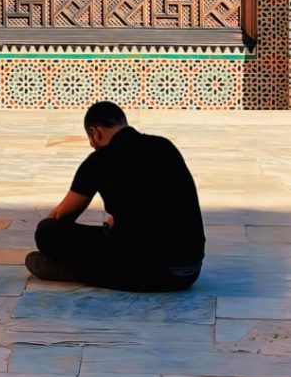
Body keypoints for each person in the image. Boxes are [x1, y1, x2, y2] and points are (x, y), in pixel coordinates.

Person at [25, 101, 205, 291]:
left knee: (47, 231)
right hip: (188, 272)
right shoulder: (164, 146)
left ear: (95, 133)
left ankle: (76, 270)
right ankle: (90, 270)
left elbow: (61, 217)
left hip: (144, 269)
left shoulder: (99, 160)